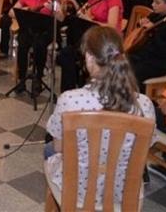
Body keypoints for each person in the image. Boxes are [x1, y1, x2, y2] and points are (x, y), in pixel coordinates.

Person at [45, 26, 155, 209]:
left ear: (89, 57)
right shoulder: (144, 104)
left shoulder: (69, 100)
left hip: (78, 190)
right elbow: (146, 148)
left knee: (48, 149)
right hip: (123, 192)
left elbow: (59, 147)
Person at [57, 0, 124, 92]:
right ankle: (70, 90)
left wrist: (89, 19)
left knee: (68, 54)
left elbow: (112, 26)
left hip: (107, 40)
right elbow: (84, 12)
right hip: (93, 35)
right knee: (67, 53)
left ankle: (73, 89)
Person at [11, 0, 53, 95]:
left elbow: (61, 18)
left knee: (40, 45)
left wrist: (54, 10)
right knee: (22, 44)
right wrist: (26, 9)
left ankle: (38, 78)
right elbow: (11, 12)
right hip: (28, 29)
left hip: (44, 31)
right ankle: (22, 78)